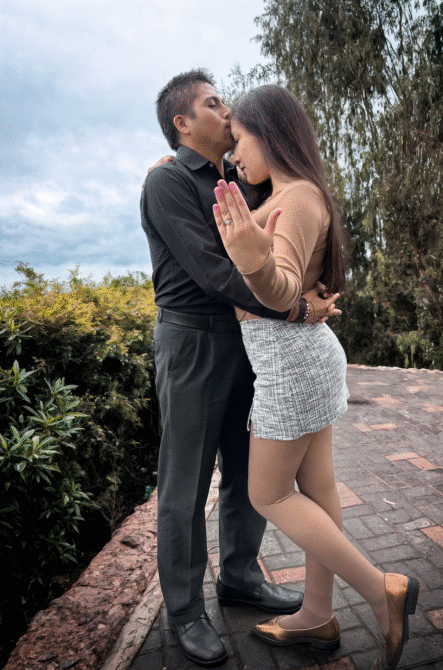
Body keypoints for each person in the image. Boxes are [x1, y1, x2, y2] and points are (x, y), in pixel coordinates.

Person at [212, 84, 419, 670]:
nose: (234, 154)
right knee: (319, 489)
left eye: (238, 139)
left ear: (268, 131)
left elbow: (279, 291)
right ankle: (317, 615)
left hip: (289, 363)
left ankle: (381, 591)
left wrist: (250, 257)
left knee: (268, 494)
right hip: (299, 357)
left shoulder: (298, 197)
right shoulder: (287, 194)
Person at [140, 69, 343, 668]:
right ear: (182, 123)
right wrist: (297, 308)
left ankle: (239, 578)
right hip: (193, 343)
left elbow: (275, 252)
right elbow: (215, 271)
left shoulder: (241, 182)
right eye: (213, 103)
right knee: (185, 482)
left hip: (247, 343)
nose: (228, 113)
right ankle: (184, 610)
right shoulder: (169, 182)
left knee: (244, 470)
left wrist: (302, 293)